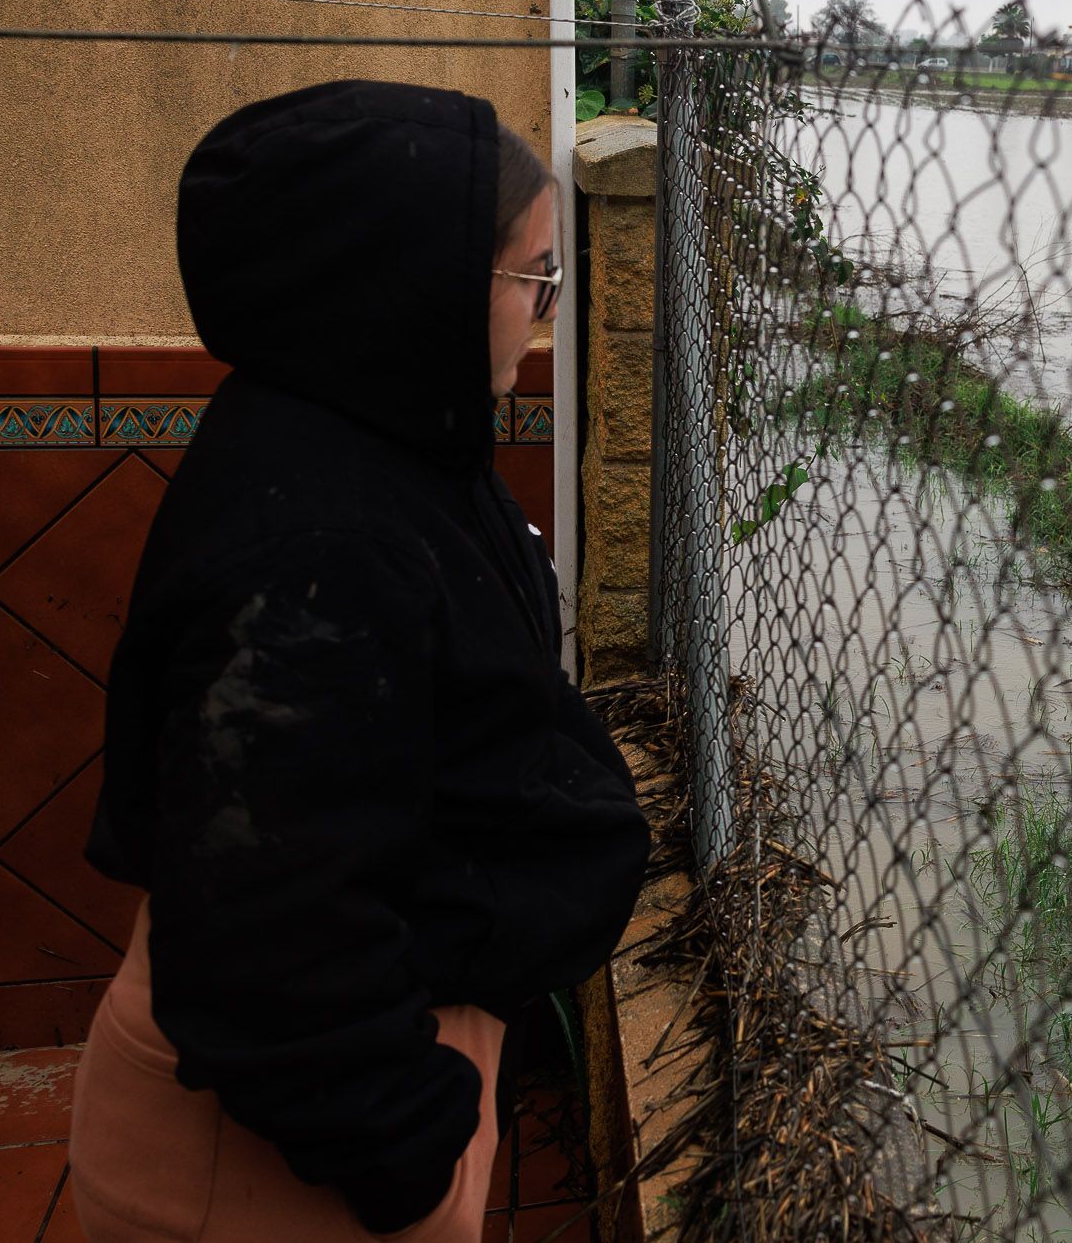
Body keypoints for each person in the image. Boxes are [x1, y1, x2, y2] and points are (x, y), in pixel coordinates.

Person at [70, 80, 651, 1240]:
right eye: (531, 275)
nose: (545, 313)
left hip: (357, 1075)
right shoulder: (319, 543)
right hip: (286, 1157)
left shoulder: (379, 438)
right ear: (414, 282)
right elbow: (267, 927)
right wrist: (411, 1160)